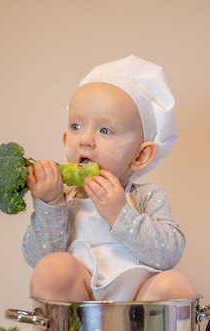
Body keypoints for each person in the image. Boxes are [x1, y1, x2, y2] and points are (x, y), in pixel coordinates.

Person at [22, 55, 196, 302]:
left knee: (175, 285)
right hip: (79, 308)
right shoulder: (64, 197)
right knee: (52, 269)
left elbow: (169, 254)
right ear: (64, 140)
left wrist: (119, 212)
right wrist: (50, 203)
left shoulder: (147, 196)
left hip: (137, 305)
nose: (85, 139)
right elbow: (36, 258)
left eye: (105, 130)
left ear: (140, 154)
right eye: (76, 126)